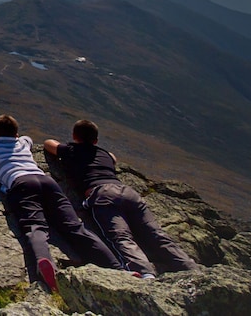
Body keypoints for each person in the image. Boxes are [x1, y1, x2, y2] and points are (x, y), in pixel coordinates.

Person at [0, 115, 122, 293]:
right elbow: (28, 140)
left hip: (21, 183)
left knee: (35, 226)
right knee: (74, 226)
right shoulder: (23, 143)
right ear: (16, 134)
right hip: (47, 182)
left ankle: (44, 262)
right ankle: (117, 268)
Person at [43, 119, 198, 278]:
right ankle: (190, 268)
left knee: (121, 237)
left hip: (103, 194)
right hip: (128, 193)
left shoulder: (71, 150)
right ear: (96, 140)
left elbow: (49, 144)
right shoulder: (105, 155)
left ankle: (144, 273)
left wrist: (71, 147)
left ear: (74, 136)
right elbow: (113, 157)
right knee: (156, 234)